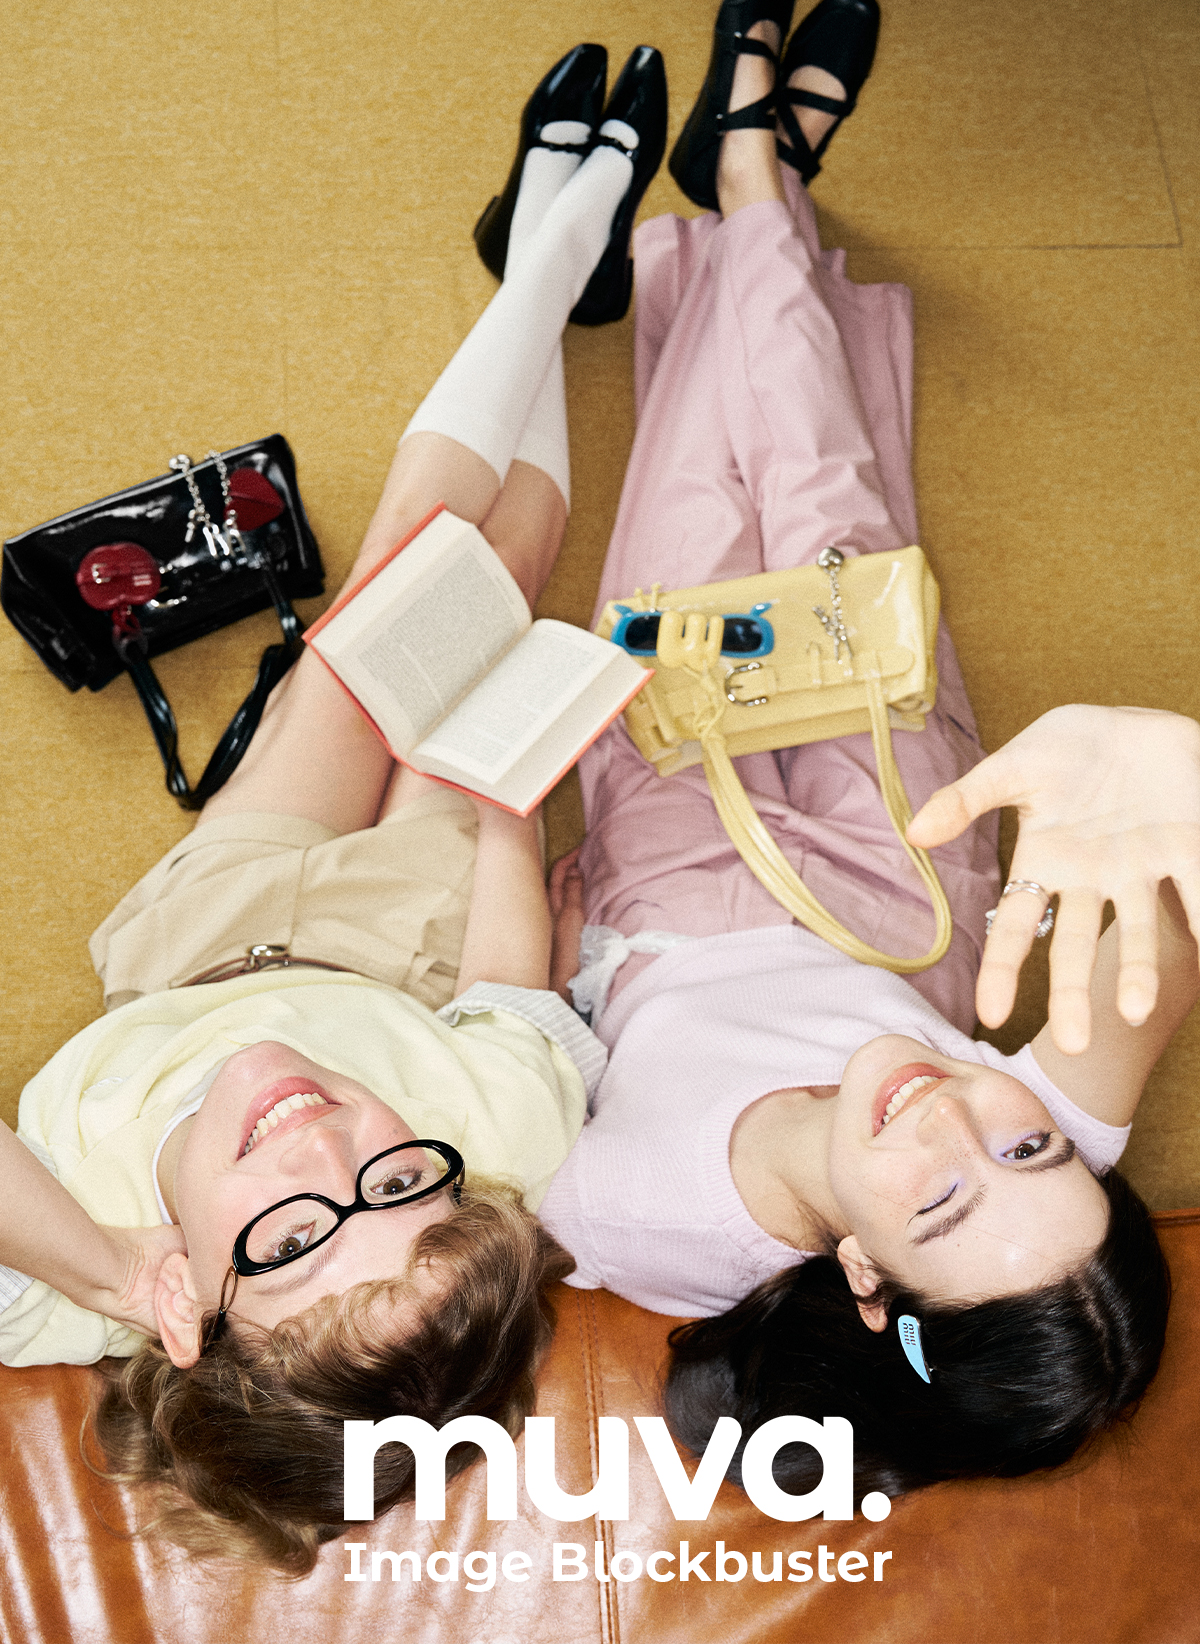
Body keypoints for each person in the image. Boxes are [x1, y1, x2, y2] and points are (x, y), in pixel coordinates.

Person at [0, 44, 669, 1572]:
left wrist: (104, 1263)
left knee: (410, 570)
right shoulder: (501, 1142)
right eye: (396, 1185)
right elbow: (502, 998)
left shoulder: (69, 1294)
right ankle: (557, 245)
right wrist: (502, 802)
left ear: (194, 1313)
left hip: (209, 931)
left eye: (294, 1238)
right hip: (413, 932)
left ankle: (562, 230)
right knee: (486, 570)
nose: (323, 1147)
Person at [534, 0, 1199, 1505]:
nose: (961, 1116)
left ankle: (756, 187)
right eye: (1032, 1156)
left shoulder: (637, 1221)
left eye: (942, 1202)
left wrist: (554, 963)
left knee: (697, 514)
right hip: (904, 877)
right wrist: (1172, 776)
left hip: (676, 887)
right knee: (832, 503)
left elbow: (505, 1064)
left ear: (864, 1281)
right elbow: (1170, 937)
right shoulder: (1043, 1152)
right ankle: (752, 177)